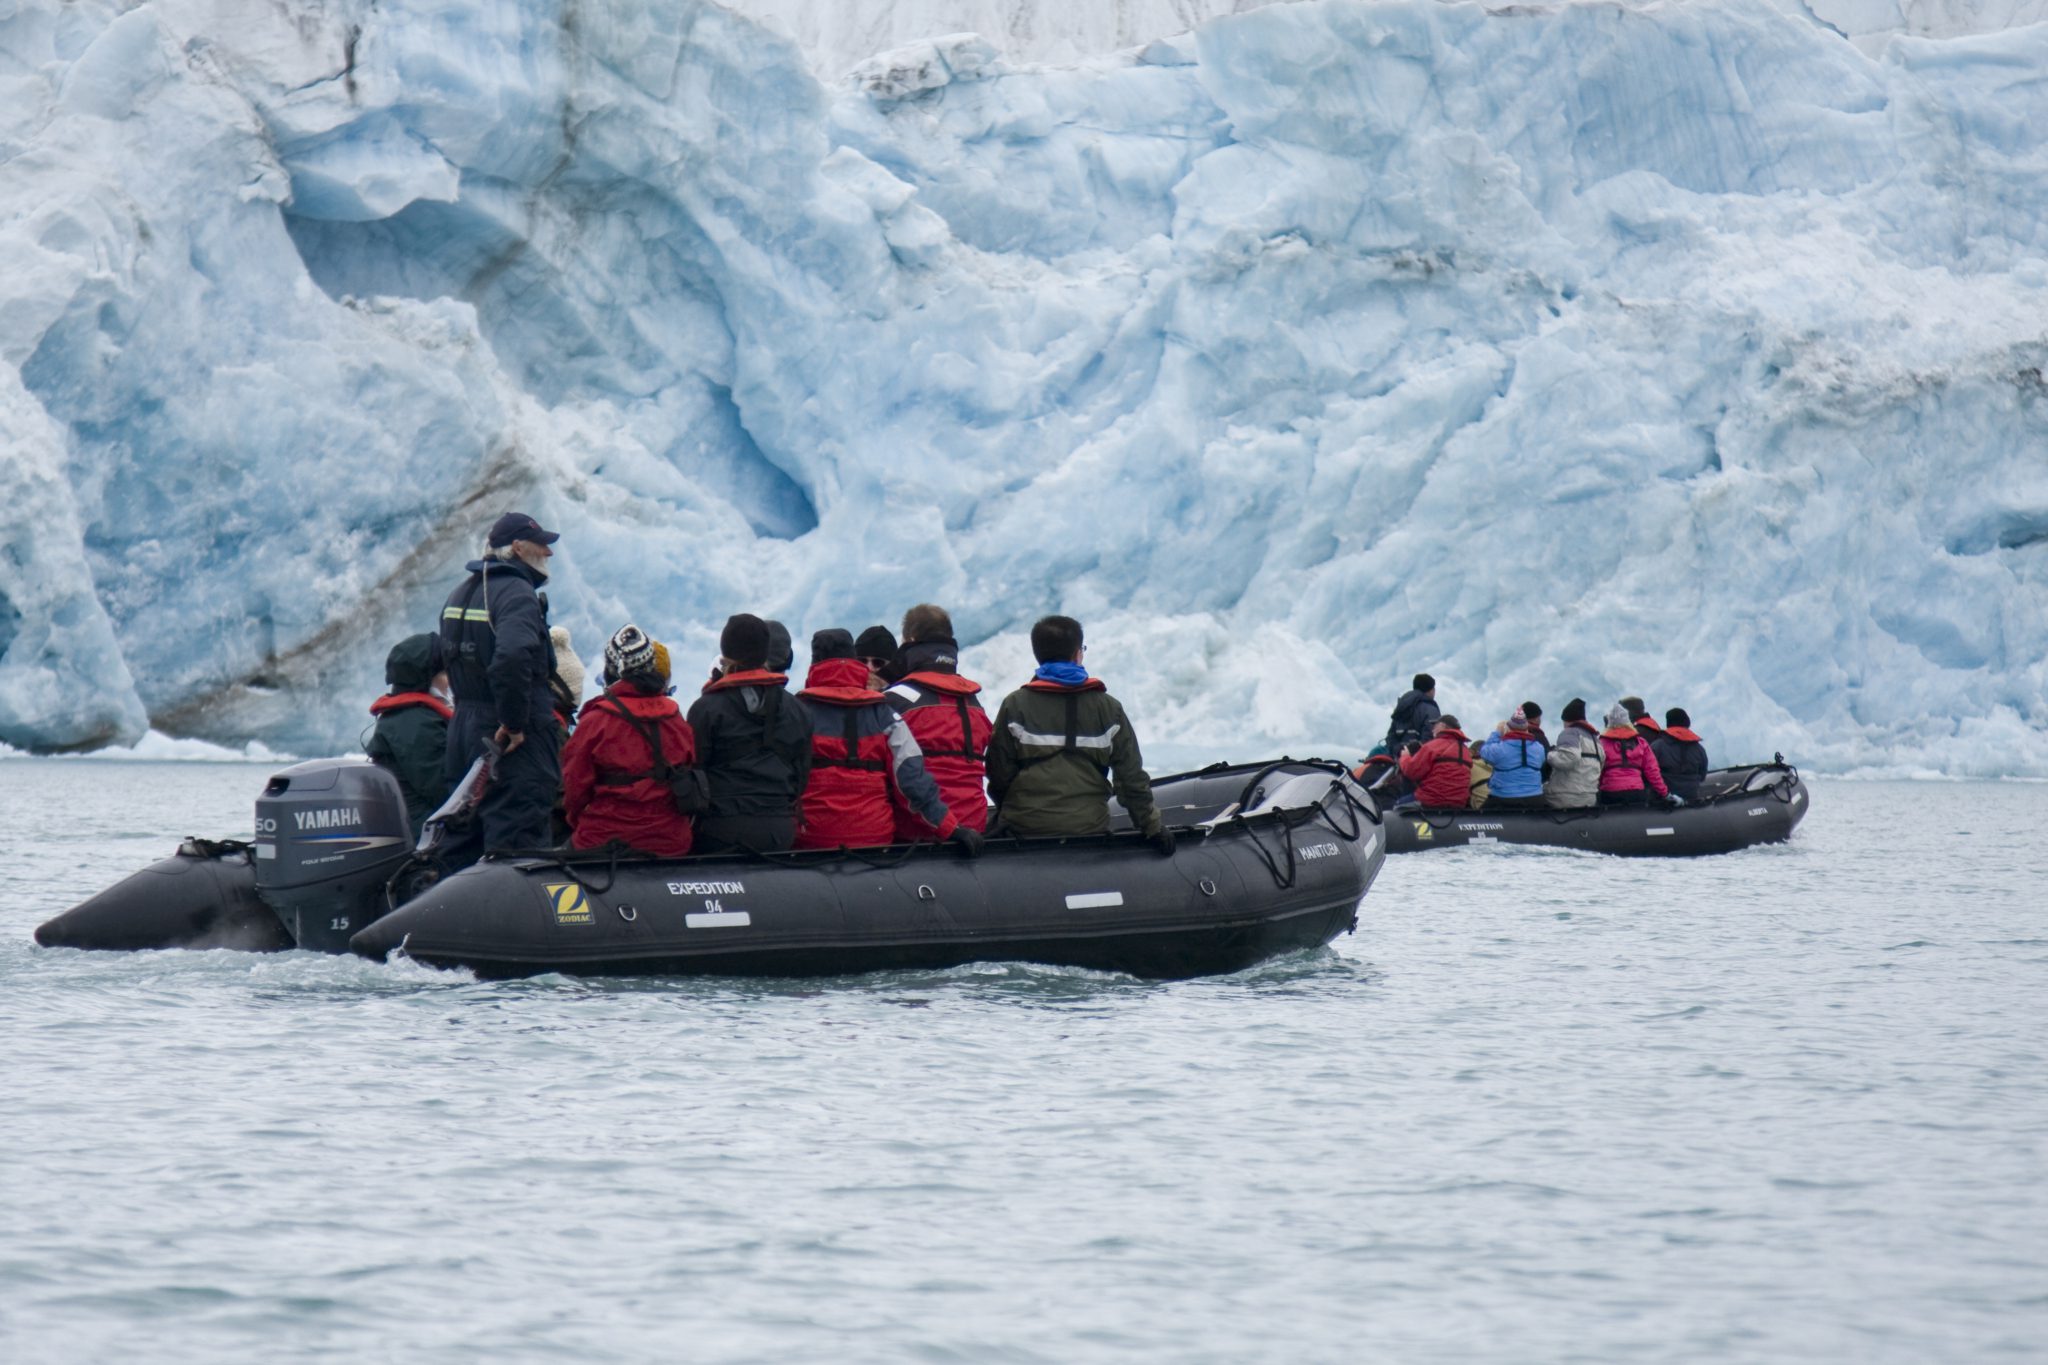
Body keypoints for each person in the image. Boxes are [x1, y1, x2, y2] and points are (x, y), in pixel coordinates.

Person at [438, 511, 564, 865]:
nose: (549, 554)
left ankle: (455, 915)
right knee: (517, 836)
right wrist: (514, 723)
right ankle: (513, 920)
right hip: (508, 737)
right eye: (543, 545)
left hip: (464, 728)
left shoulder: (460, 593)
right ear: (519, 548)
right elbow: (511, 657)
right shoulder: (517, 594)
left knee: (463, 834)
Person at [986, 615, 1170, 851]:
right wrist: (1152, 827)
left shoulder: (1015, 705)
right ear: (1077, 654)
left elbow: (998, 771)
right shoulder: (1108, 708)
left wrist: (1015, 810)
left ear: (1037, 655)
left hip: (1025, 826)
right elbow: (1131, 778)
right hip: (1089, 826)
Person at [795, 629, 979, 852]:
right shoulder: (884, 715)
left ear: (814, 663)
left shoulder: (796, 715)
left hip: (810, 839)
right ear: (853, 661)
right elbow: (912, 781)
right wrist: (951, 828)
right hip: (874, 839)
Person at [560, 626, 698, 856]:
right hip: (670, 841)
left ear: (611, 670)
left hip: (604, 839)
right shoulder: (675, 718)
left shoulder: (596, 721)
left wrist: (579, 823)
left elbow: (574, 789)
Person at [685, 613, 812, 854]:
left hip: (720, 831)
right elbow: (801, 777)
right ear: (765, 653)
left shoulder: (706, 709)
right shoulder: (798, 709)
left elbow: (693, 773)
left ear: (725, 653)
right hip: (780, 831)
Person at [884, 604, 993, 840]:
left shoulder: (894, 700)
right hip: (974, 827)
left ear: (910, 640)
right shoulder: (973, 703)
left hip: (917, 835)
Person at [365, 632, 453, 834]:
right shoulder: (416, 725)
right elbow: (445, 791)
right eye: (445, 673)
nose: (451, 681)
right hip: (425, 835)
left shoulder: (412, 716)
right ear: (426, 678)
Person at [1598, 703, 1674, 807]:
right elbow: (1653, 772)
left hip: (1609, 793)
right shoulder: (1641, 742)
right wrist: (1665, 794)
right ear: (1627, 721)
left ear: (1610, 722)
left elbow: (1597, 771)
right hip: (1636, 792)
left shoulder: (1601, 743)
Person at [1396, 715, 1472, 810]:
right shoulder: (1466, 751)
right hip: (1458, 803)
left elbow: (1411, 771)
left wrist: (1405, 756)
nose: (1432, 729)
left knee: (1398, 806)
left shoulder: (1432, 746)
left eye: (1435, 726)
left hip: (1432, 800)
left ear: (1443, 726)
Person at [1478, 708, 1547, 810]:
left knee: (1481, 818)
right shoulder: (1539, 748)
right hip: (1535, 798)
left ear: (1509, 728)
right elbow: (1541, 762)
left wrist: (1497, 733)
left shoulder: (1500, 749)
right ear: (1526, 728)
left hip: (1503, 798)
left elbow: (1484, 751)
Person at [1544, 698, 1601, 809]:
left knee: (1537, 792)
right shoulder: (1596, 740)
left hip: (1564, 798)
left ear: (1568, 720)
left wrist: (1548, 755)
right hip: (1589, 799)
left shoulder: (1569, 732)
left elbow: (1569, 759)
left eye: (1564, 722)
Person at [1651, 707, 1709, 803]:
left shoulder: (1657, 746)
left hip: (1664, 799)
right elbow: (1702, 775)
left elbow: (1649, 773)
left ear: (1668, 724)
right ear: (1687, 723)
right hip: (1692, 796)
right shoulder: (1699, 749)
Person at [1384, 674, 1441, 754]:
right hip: (1418, 759)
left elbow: (1391, 735)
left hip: (1397, 756)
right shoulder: (1430, 709)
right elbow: (1431, 738)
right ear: (1431, 690)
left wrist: (1398, 751)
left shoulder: (1402, 706)